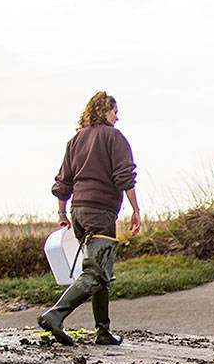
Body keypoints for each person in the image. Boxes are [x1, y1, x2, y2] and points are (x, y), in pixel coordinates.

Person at [42, 91, 141, 346]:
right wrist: (135, 210)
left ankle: (103, 330)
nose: (117, 118)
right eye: (114, 112)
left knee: (101, 270)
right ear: (104, 111)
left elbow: (63, 181)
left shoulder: (75, 140)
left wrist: (62, 213)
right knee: (95, 273)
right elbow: (125, 176)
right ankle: (55, 315)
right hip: (100, 212)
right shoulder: (114, 138)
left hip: (78, 212)